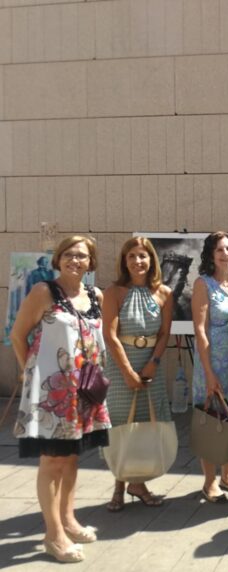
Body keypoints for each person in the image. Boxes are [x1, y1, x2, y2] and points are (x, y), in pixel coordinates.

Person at [10, 236, 110, 563]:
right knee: (51, 461)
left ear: (91, 262)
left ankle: (68, 519)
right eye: (68, 254)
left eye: (82, 256)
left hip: (83, 392)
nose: (75, 260)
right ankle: (53, 535)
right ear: (58, 258)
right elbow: (18, 333)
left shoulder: (96, 295)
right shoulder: (44, 292)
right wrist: (30, 371)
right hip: (50, 392)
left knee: (70, 458)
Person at [102, 237, 174, 512]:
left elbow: (165, 332)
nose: (137, 261)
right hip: (122, 366)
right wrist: (127, 371)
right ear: (125, 261)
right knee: (122, 427)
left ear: (151, 260)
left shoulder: (164, 292)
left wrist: (154, 363)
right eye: (132, 256)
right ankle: (120, 487)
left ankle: (138, 482)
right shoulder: (114, 292)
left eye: (143, 256)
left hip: (150, 365)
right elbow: (110, 335)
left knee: (145, 424)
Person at [191, 232, 228, 502]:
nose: (225, 254)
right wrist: (208, 372)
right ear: (210, 255)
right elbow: (200, 330)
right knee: (212, 420)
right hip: (211, 362)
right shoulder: (203, 284)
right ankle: (209, 481)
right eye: (219, 250)